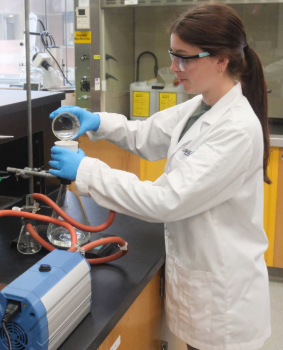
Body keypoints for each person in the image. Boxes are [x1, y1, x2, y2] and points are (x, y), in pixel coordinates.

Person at [49, 3, 271, 350]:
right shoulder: (202, 105)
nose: (172, 68)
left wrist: (85, 170)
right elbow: (145, 135)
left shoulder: (237, 130)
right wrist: (97, 121)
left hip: (224, 300)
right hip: (202, 280)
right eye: (172, 55)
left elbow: (165, 200)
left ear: (221, 60)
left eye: (184, 58)